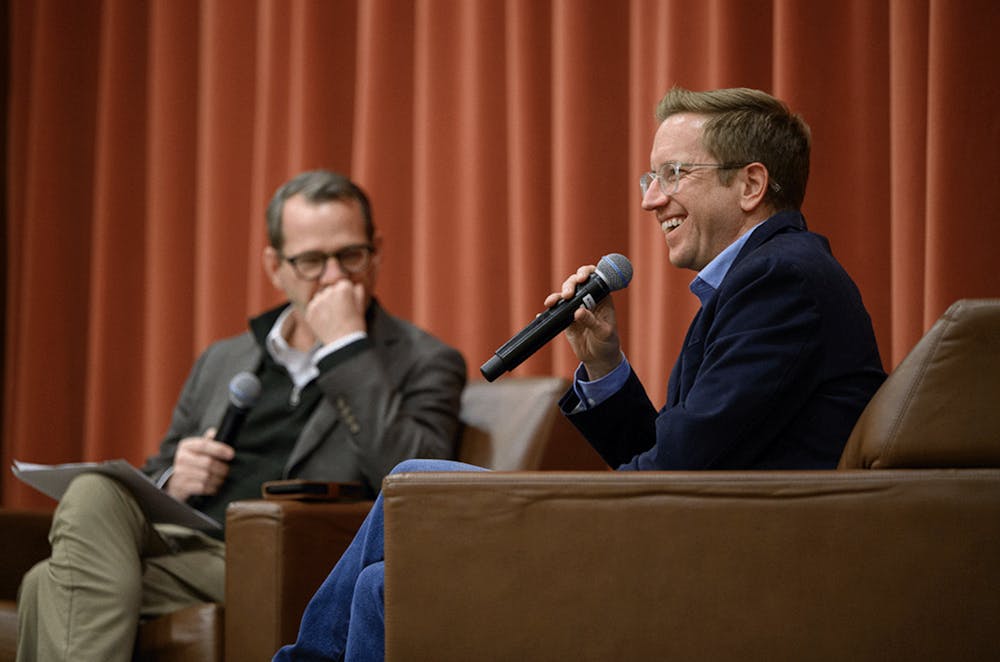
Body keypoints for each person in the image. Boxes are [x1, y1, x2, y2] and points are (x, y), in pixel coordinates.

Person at [272, 87, 887, 661]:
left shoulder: (781, 280)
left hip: (728, 561)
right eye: (652, 177)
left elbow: (680, 470)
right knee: (385, 582)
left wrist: (571, 507)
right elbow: (680, 456)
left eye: (674, 174)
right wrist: (603, 360)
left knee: (414, 479)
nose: (650, 198)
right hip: (694, 531)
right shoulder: (764, 278)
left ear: (751, 183)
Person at [15, 169, 467, 662]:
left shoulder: (424, 360)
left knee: (48, 583)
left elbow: (417, 482)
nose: (335, 277)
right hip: (188, 547)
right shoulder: (222, 359)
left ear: (376, 251)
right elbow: (155, 471)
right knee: (92, 491)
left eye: (350, 255)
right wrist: (173, 478)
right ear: (275, 266)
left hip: (290, 561)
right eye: (312, 261)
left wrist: (346, 349)